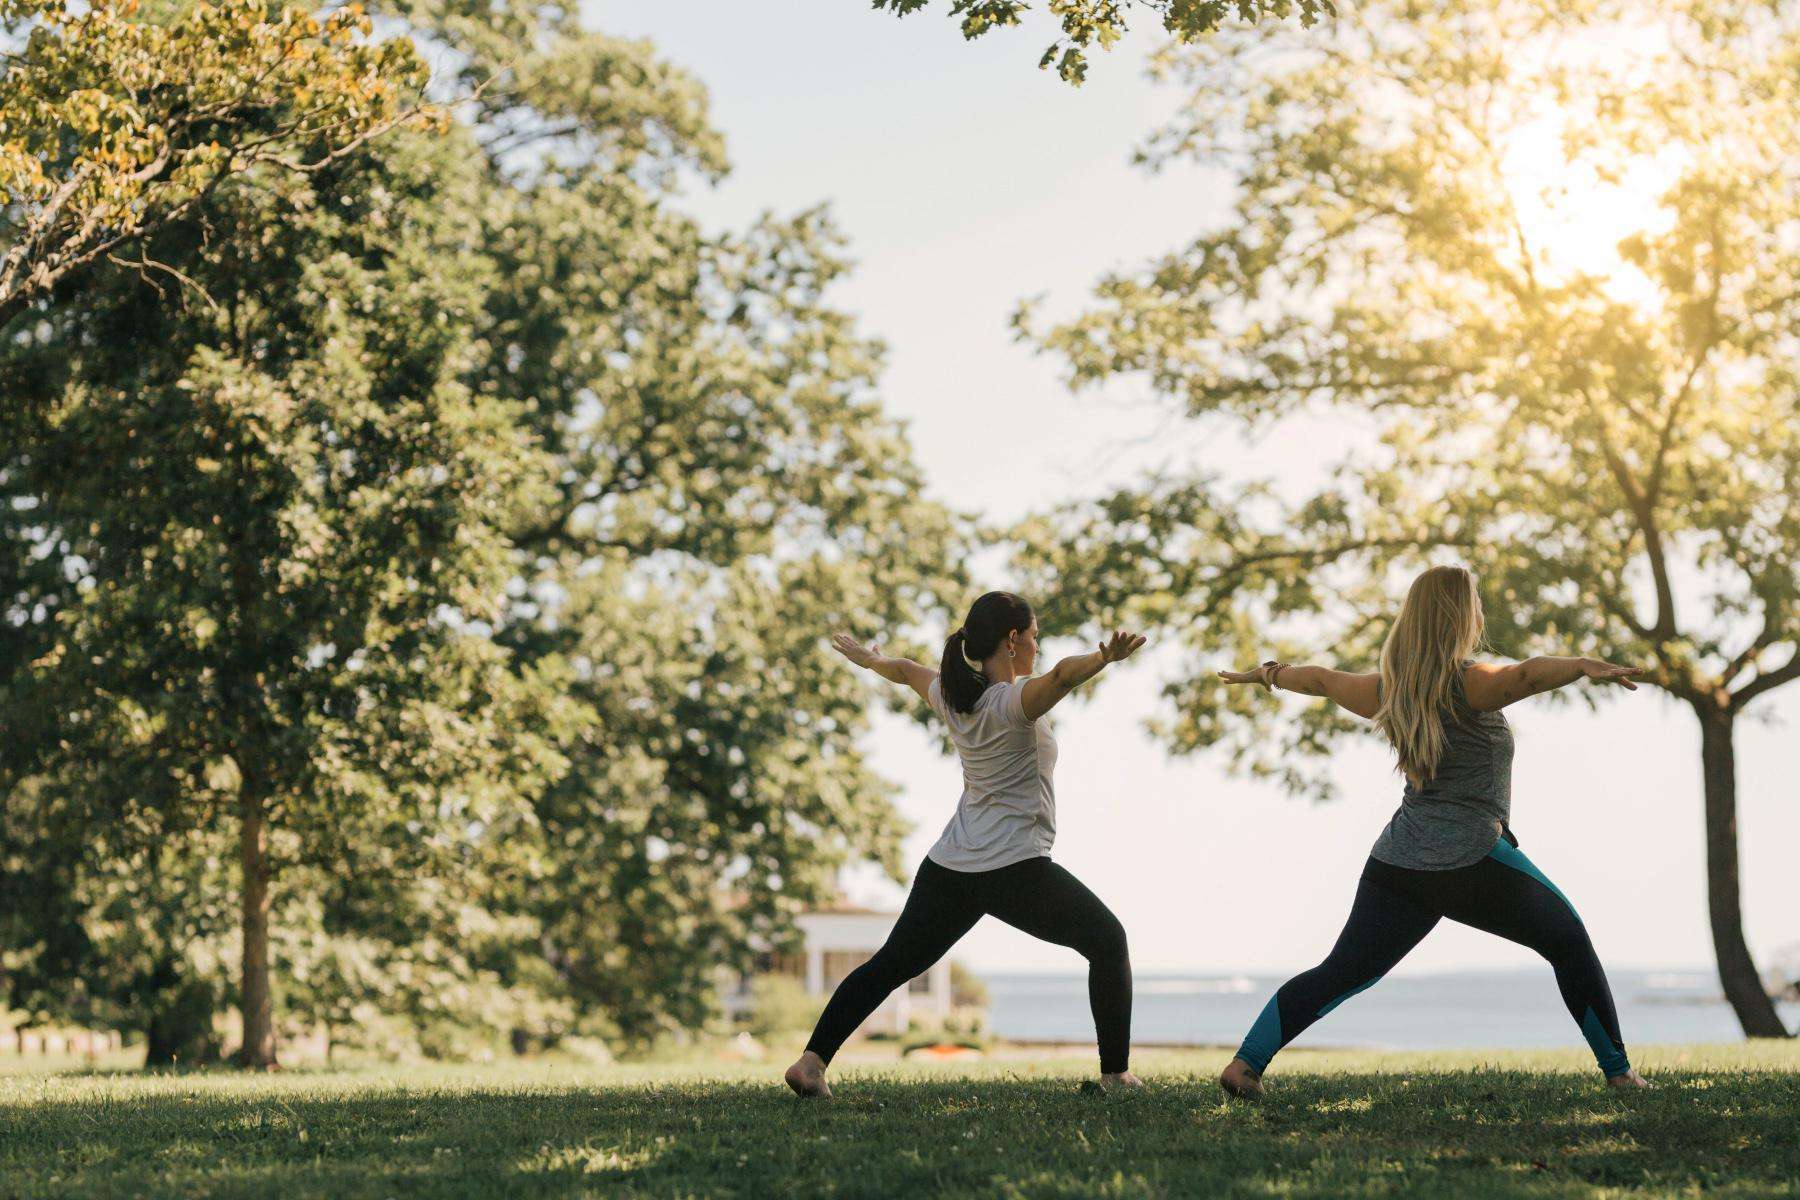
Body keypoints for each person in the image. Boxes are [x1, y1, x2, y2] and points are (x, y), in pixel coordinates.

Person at [1213, 564, 1651, 1098]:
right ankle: (1620, 1075)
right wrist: (1582, 665)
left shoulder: (1387, 692)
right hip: (1471, 857)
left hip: (1398, 862)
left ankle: (1245, 1066)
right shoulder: (1469, 685)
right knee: (1569, 941)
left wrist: (1267, 675)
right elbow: (1530, 675)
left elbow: (1324, 681)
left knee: (1343, 972)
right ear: (1461, 616)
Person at [784, 591, 1146, 1098]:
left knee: (890, 965)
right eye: (1035, 636)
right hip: (1014, 868)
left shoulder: (955, 697)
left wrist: (871, 660)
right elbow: (1063, 676)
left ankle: (811, 1063)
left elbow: (908, 671)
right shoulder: (1008, 703)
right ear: (1013, 640)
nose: (1038, 646)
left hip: (951, 867)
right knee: (1108, 942)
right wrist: (1103, 659)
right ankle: (1116, 1075)